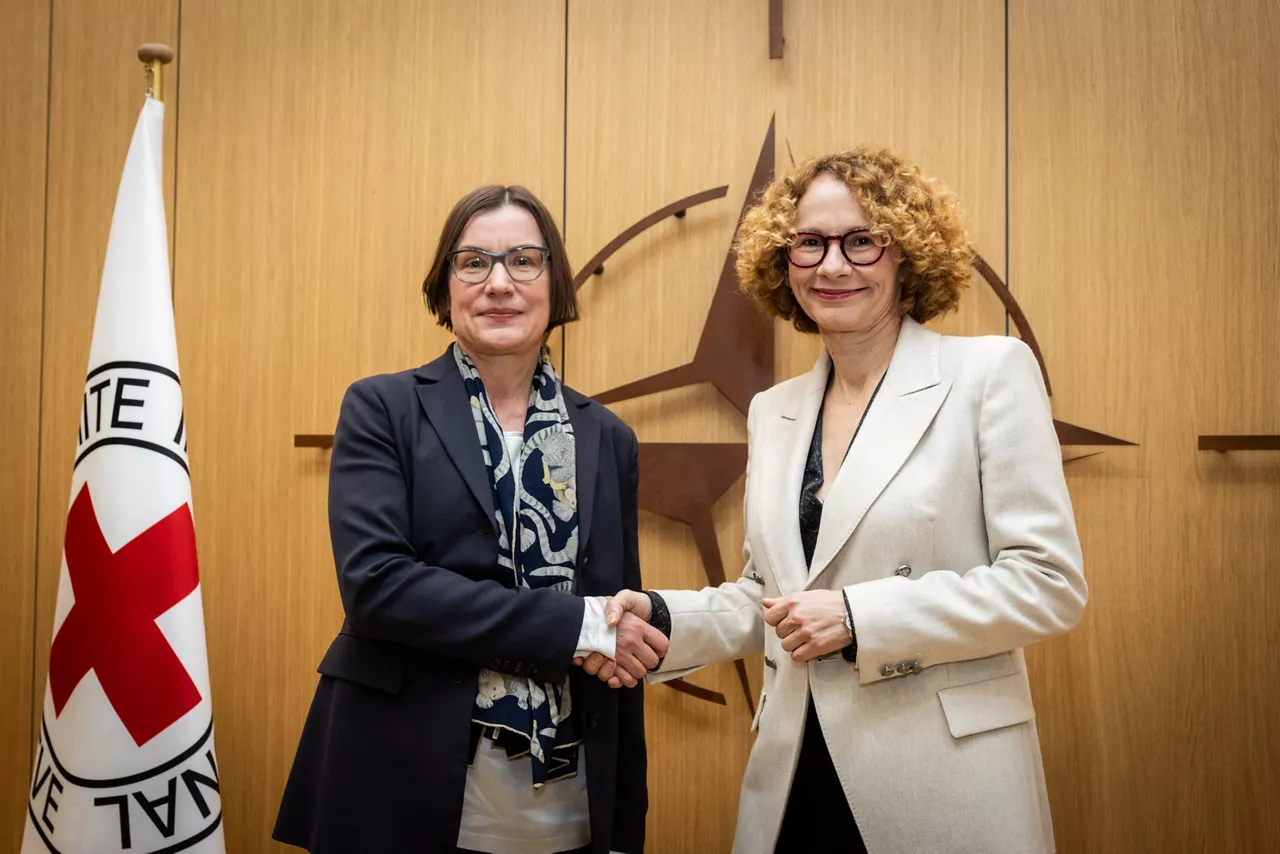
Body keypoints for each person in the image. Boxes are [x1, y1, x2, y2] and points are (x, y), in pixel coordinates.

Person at [585, 149, 1088, 853]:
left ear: (906, 255)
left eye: (861, 240)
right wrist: (660, 615)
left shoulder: (989, 374)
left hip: (942, 780)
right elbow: (772, 598)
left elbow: (1048, 585)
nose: (832, 265)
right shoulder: (773, 409)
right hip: (795, 775)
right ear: (782, 264)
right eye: (809, 243)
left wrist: (859, 616)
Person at [273, 185, 667, 854]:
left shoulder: (608, 437)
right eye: (473, 262)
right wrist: (574, 623)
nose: (499, 283)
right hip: (401, 783)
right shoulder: (382, 408)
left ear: (555, 282)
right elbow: (378, 588)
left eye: (523, 260)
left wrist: (625, 820)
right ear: (445, 285)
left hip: (568, 801)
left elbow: (617, 636)